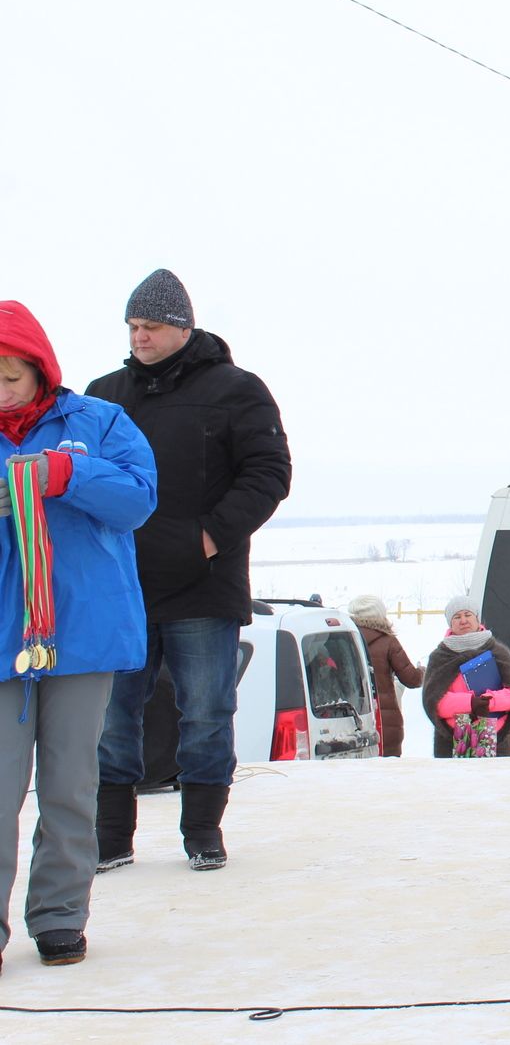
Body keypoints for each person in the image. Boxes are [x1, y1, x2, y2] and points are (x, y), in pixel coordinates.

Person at [88, 269, 292, 872]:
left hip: (204, 584)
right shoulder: (102, 395)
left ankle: (203, 828)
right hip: (120, 585)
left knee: (206, 712)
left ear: (182, 327)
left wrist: (208, 537)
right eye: (132, 326)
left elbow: (268, 472)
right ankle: (111, 837)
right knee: (111, 715)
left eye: (150, 326)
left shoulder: (237, 389)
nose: (139, 337)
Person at [0, 301, 156, 971]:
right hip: (5, 640)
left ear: (39, 369)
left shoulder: (100, 421)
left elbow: (139, 498)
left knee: (69, 781)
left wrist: (68, 475)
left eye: (9, 377)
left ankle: (61, 914)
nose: (0, 392)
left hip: (82, 635)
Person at [422, 596, 510, 759]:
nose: (463, 620)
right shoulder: (440, 657)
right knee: (457, 784)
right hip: (452, 741)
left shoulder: (497, 651)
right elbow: (434, 702)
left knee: (492, 783)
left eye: (467, 614)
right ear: (451, 623)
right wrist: (470, 703)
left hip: (495, 738)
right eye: (457, 617)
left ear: (477, 618)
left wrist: (489, 701)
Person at [348, 594, 423, 757]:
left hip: (349, 721)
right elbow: (412, 679)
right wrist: (423, 672)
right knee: (388, 772)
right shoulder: (388, 641)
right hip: (385, 722)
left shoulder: (343, 640)